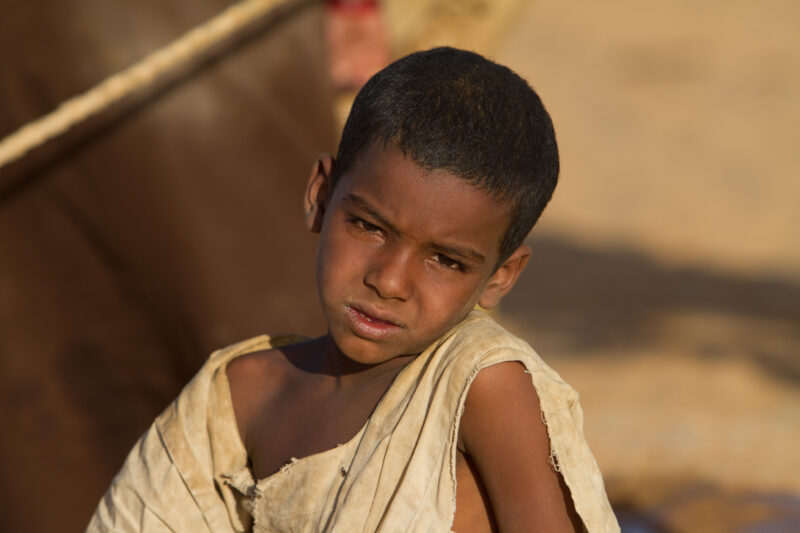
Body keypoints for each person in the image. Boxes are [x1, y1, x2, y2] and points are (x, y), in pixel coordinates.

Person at [87, 47, 618, 532]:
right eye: (369, 227)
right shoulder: (236, 396)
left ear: (500, 275)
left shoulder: (480, 386)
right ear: (321, 194)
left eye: (445, 260)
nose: (388, 281)